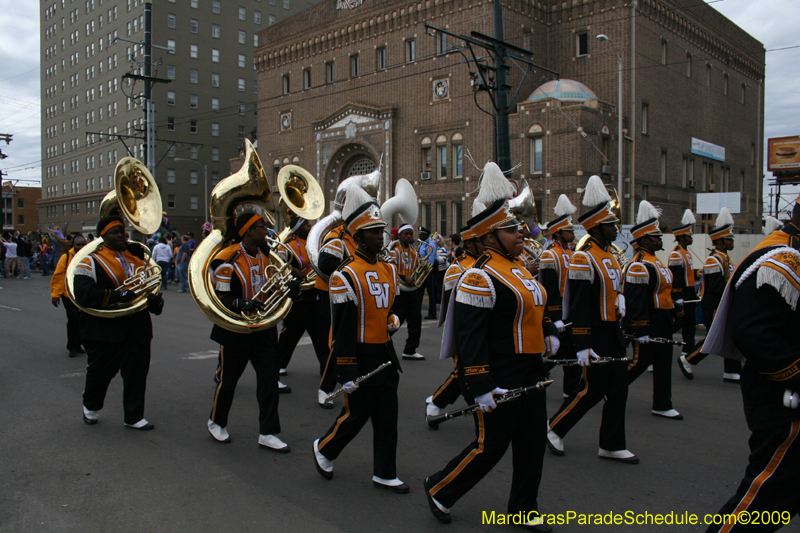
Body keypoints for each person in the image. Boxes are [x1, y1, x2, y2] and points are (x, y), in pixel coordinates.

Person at [425, 162, 559, 531]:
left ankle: (524, 509)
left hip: (530, 368)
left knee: (532, 443)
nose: (521, 233)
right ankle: (439, 488)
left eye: (518, 228)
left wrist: (549, 329)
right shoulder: (478, 276)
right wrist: (480, 385)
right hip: (500, 372)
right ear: (489, 237)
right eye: (511, 230)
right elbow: (469, 337)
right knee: (491, 446)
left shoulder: (520, 267)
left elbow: (535, 303)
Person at [702, 197, 800, 533]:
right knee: (757, 509)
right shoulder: (781, 258)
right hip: (785, 404)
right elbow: (753, 331)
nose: (730, 241)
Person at [312, 186, 407, 493]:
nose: (381, 236)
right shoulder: (345, 275)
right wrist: (347, 371)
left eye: (381, 230)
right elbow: (342, 329)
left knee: (388, 416)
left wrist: (394, 320)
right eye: (373, 232)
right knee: (356, 415)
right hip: (361, 354)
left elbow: (394, 308)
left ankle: (385, 472)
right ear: (358, 237)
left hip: (385, 354)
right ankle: (324, 448)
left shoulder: (388, 269)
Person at [546, 175, 637, 464]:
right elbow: (580, 304)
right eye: (611, 225)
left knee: (619, 390)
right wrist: (583, 342)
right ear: (596, 228)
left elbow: (612, 287)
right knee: (592, 390)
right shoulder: (583, 258)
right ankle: (555, 427)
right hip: (595, 332)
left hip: (613, 330)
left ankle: (611, 443)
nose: (616, 228)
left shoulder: (610, 255)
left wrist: (619, 297)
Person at [206, 210, 300, 450]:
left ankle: (268, 432)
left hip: (263, 328)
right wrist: (239, 303)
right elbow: (220, 298)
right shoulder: (227, 258)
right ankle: (216, 421)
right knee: (228, 381)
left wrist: (289, 290)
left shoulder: (266, 256)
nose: (267, 231)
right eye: (262, 227)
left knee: (269, 380)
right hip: (235, 330)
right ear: (248, 231)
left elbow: (274, 289)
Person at [73, 216, 164, 429]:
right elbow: (83, 294)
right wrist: (117, 295)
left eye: (122, 231)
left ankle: (133, 416)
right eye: (114, 232)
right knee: (100, 374)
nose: (121, 235)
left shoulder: (138, 260)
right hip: (104, 330)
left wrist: (155, 303)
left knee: (136, 374)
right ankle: (91, 406)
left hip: (137, 328)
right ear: (103, 236)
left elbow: (150, 290)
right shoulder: (90, 261)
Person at [624, 200, 682, 420]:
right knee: (640, 362)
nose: (660, 239)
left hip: (662, 319)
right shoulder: (639, 264)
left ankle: (662, 403)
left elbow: (664, 292)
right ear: (644, 239)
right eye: (655, 237)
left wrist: (676, 310)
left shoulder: (656, 261)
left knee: (664, 363)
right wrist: (641, 328)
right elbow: (636, 300)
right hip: (648, 320)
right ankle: (611, 388)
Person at [425, 224, 484, 424]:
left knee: (469, 374)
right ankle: (436, 402)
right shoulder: (457, 268)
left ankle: (437, 401)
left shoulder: (488, 263)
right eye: (481, 240)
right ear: (470, 244)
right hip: (466, 332)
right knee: (466, 374)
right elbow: (455, 312)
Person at [682, 208, 742, 382]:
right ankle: (688, 359)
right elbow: (716, 287)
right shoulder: (713, 260)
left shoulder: (725, 258)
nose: (732, 242)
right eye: (729, 239)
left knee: (729, 337)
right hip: (714, 305)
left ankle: (731, 370)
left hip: (722, 304)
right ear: (720, 242)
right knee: (714, 339)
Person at [276, 216, 330, 397]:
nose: (311, 226)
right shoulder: (287, 245)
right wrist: (294, 270)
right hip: (298, 296)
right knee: (290, 333)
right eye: (307, 225)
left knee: (322, 335)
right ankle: (278, 365)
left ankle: (326, 369)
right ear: (298, 229)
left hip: (315, 294)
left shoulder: (316, 242)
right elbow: (278, 265)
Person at [538, 194, 580, 397]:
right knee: (563, 351)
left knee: (571, 351)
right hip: (559, 309)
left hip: (569, 308)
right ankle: (539, 372)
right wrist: (555, 317)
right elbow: (549, 288)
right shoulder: (550, 254)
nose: (573, 234)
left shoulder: (570, 253)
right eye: (569, 231)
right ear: (559, 233)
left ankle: (570, 389)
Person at [671, 210, 700, 379]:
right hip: (682, 293)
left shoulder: (686, 253)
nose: (691, 238)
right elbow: (676, 277)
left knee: (690, 325)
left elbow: (688, 274)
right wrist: (678, 297)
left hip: (690, 292)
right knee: (678, 323)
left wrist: (698, 274)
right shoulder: (676, 254)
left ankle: (686, 353)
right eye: (689, 236)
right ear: (682, 238)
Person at [389, 225, 425, 360]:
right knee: (396, 320)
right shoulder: (395, 250)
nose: (409, 236)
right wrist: (404, 277)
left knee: (416, 320)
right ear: (399, 235)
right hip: (400, 290)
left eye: (410, 234)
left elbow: (418, 268)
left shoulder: (414, 252)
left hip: (412, 290)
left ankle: (410, 350)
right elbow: (390, 268)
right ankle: (381, 343)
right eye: (406, 234)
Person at [51, 234, 88, 358]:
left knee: (82, 321)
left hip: (83, 295)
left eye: (83, 245)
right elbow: (59, 276)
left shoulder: (89, 256)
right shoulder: (66, 257)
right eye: (78, 245)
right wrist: (55, 294)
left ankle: (79, 345)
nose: (81, 247)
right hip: (69, 295)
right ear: (73, 245)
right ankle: (72, 346)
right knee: (73, 320)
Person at [418, 227, 439, 320]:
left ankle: (432, 313)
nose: (420, 236)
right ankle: (417, 312)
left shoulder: (431, 245)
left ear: (427, 235)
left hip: (430, 271)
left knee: (431, 293)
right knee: (419, 292)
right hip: (422, 270)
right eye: (419, 234)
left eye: (422, 234)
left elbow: (430, 261)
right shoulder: (421, 244)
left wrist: (423, 268)